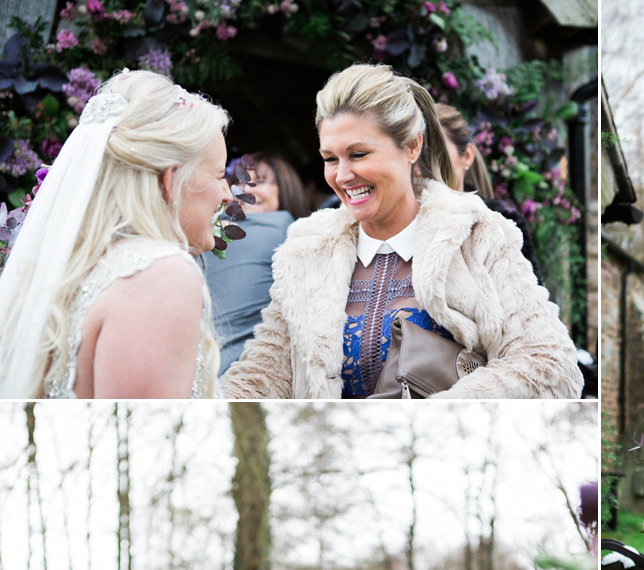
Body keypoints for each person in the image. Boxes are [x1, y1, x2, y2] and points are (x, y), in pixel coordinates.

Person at [221, 64, 581, 400]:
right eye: (330, 158)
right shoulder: (305, 251)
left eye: (359, 154)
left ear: (412, 147)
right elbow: (263, 376)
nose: (342, 175)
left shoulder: (478, 236)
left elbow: (552, 364)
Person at [0, 69, 232, 398]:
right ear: (171, 180)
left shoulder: (70, 268)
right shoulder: (159, 275)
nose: (228, 196)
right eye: (219, 175)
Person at [207, 151, 309, 374]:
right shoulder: (204, 237)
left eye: (260, 181)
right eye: (238, 184)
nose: (246, 190)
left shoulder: (288, 229)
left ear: (285, 190)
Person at [433, 103, 542, 283]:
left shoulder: (505, 227)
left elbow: (533, 306)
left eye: (437, 152)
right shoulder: (398, 224)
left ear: (467, 156)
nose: (424, 165)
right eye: (418, 153)